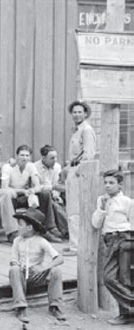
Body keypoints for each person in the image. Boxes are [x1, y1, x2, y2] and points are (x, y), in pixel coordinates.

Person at [8, 208, 66, 323]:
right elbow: (14, 260)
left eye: (20, 225)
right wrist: (18, 265)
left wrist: (45, 268)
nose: (18, 228)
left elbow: (59, 258)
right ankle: (20, 306)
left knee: (56, 271)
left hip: (37, 274)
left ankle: (55, 306)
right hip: (22, 275)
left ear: (29, 228)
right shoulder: (17, 241)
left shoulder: (41, 241)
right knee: (14, 269)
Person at [92, 170, 134, 325]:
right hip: (109, 240)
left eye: (111, 183)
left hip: (125, 239)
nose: (107, 186)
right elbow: (95, 224)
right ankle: (130, 309)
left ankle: (126, 315)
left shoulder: (128, 202)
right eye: (105, 183)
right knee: (109, 277)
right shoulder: (101, 200)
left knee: (125, 278)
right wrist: (101, 208)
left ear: (120, 185)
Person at [1, 145, 62, 243]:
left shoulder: (30, 166)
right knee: (8, 195)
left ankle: (47, 229)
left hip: (25, 196)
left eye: (27, 155)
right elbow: (4, 187)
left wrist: (33, 190)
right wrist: (22, 191)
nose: (24, 158)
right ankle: (13, 234)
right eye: (22, 155)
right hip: (12, 197)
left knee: (45, 194)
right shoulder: (8, 167)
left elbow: (37, 185)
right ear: (16, 156)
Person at [65, 100, 97, 256]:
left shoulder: (86, 130)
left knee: (75, 211)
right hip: (72, 170)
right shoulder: (77, 130)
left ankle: (76, 247)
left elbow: (89, 154)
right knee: (71, 209)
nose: (77, 114)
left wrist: (77, 171)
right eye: (74, 112)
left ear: (85, 113)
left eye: (80, 112)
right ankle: (73, 242)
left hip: (79, 172)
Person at [34, 145, 68, 238]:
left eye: (56, 157)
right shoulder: (35, 167)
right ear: (44, 158)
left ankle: (62, 229)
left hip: (53, 194)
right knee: (53, 205)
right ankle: (65, 229)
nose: (55, 160)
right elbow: (36, 186)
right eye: (52, 158)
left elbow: (57, 183)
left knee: (56, 203)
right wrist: (50, 188)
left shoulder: (57, 167)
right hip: (40, 196)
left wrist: (56, 195)